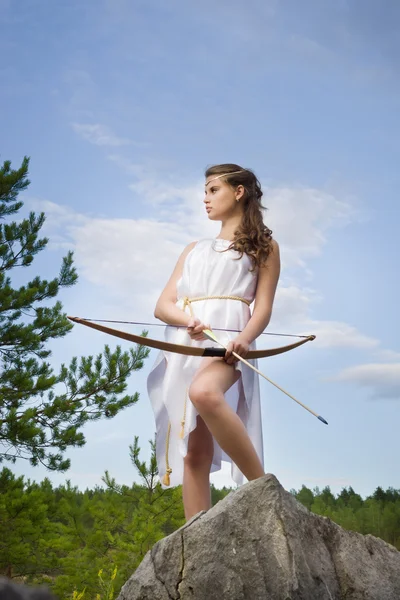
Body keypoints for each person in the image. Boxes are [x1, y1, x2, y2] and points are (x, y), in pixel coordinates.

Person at [147, 163, 280, 521]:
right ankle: (195, 535)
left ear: (239, 192)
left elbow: (263, 308)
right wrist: (186, 319)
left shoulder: (264, 247)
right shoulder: (194, 248)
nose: (205, 199)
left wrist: (245, 339)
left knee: (205, 393)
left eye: (213, 190)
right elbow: (163, 306)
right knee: (194, 453)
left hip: (230, 342)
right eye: (204, 192)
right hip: (188, 343)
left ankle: (266, 491)